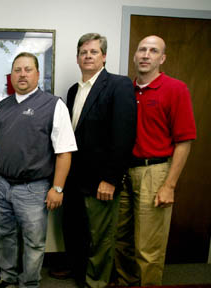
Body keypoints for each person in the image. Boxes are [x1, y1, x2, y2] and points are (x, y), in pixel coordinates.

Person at [50, 33, 137, 288]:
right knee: (75, 230)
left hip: (101, 180)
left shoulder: (118, 85)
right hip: (74, 178)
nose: (88, 56)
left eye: (94, 52)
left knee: (100, 236)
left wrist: (111, 179)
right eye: (83, 52)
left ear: (104, 56)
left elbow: (124, 136)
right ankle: (78, 270)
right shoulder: (73, 90)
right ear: (77, 58)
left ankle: (96, 281)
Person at [0, 52, 77, 288]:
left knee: (34, 242)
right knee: (5, 236)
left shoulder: (53, 105)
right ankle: (8, 276)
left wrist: (57, 188)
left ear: (38, 74)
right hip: (3, 185)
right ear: (11, 75)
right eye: (17, 70)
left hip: (34, 188)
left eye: (28, 69)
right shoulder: (1, 107)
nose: (22, 74)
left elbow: (64, 151)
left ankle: (29, 283)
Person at [114, 35, 197, 286]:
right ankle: (127, 282)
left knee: (148, 247)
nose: (146, 55)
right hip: (125, 171)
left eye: (153, 51)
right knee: (121, 240)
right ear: (135, 55)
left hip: (155, 171)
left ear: (162, 58)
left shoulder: (175, 89)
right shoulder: (126, 90)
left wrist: (169, 185)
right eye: (142, 50)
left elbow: (184, 141)